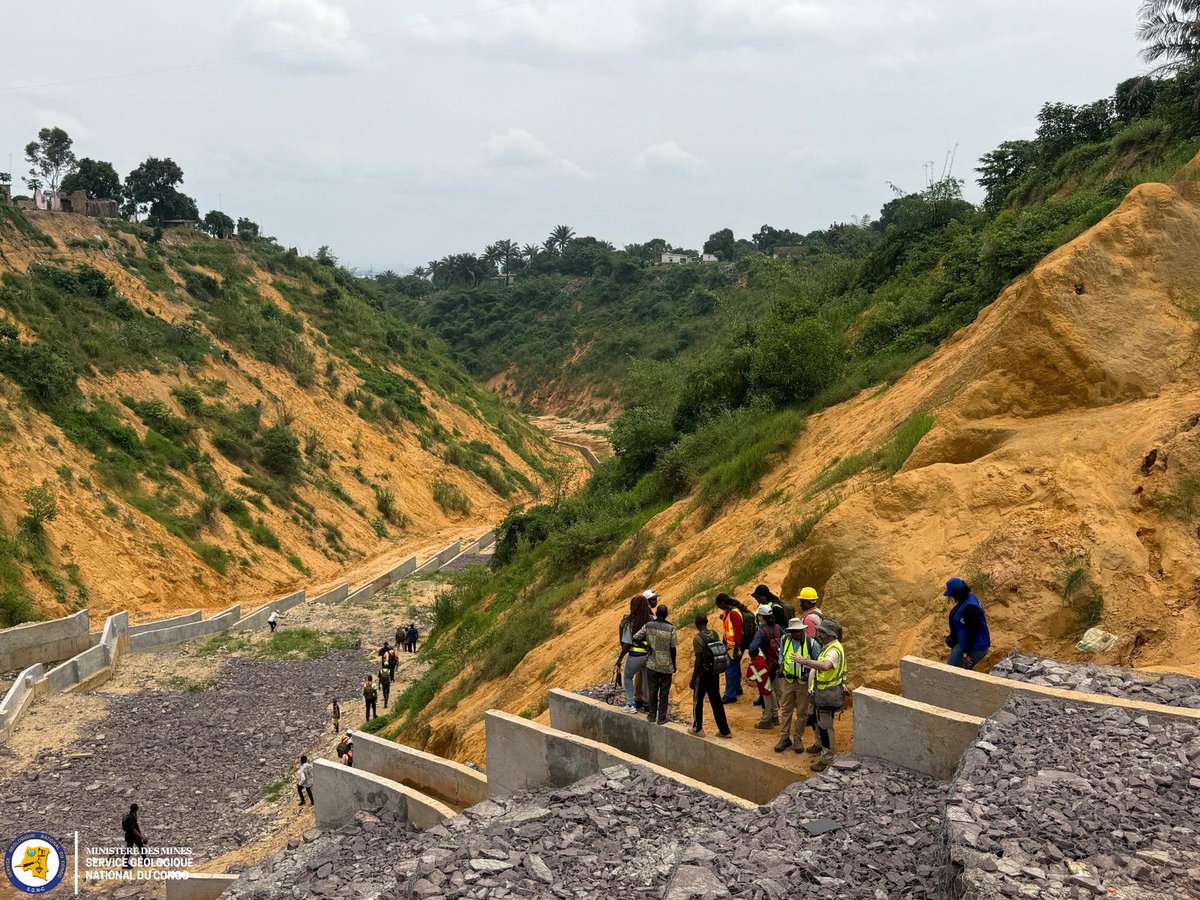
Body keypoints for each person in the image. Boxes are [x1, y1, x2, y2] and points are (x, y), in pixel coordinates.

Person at [794, 618, 846, 772]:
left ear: (830, 634)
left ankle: (827, 758)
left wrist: (804, 661)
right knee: (816, 722)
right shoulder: (828, 646)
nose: (819, 634)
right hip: (820, 693)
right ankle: (818, 744)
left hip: (827, 695)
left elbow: (825, 666)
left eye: (822, 632)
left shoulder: (834, 650)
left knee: (825, 727)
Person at [775, 618, 819, 753]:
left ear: (803, 629)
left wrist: (810, 674)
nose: (797, 634)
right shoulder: (785, 639)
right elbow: (782, 656)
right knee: (786, 710)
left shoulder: (811, 643)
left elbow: (817, 663)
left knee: (802, 712)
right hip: (788, 681)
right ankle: (784, 738)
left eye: (799, 631)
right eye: (794, 631)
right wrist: (781, 668)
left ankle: (798, 738)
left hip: (803, 683)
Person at [689, 612, 732, 738]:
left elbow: (698, 660)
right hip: (714, 672)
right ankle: (725, 731)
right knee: (716, 700)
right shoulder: (714, 633)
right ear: (707, 622)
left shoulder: (698, 639)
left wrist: (693, 678)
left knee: (698, 700)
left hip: (703, 674)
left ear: (697, 624)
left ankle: (698, 729)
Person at [633, 603, 676, 725]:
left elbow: (635, 637)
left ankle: (651, 715)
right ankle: (661, 717)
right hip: (666, 665)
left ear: (656, 613)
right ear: (666, 615)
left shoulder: (648, 626)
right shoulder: (671, 628)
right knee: (664, 691)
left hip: (652, 663)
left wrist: (646, 647)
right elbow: (673, 648)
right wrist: (674, 664)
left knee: (652, 689)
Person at [747, 605, 782, 730]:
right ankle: (775, 716)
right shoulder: (778, 628)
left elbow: (753, 648)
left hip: (765, 665)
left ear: (761, 617)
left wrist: (754, 658)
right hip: (777, 664)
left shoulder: (762, 631)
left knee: (765, 692)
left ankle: (766, 719)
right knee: (770, 690)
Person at [944, 577, 990, 669]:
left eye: (952, 594)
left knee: (950, 673)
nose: (951, 597)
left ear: (957, 593)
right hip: (964, 644)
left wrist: (966, 654)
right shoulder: (968, 598)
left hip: (973, 647)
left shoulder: (970, 608)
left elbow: (972, 631)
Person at [617, 594, 652, 713]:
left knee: (627, 676)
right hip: (649, 656)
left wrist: (620, 658)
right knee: (647, 679)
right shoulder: (652, 619)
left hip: (635, 655)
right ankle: (649, 703)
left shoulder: (630, 621)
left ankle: (631, 704)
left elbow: (627, 643)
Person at [714, 593, 744, 704]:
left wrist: (736, 647)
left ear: (723, 603)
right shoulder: (728, 612)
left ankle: (730, 695)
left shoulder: (734, 613)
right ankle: (737, 689)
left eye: (719, 605)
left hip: (733, 647)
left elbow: (738, 632)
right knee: (735, 668)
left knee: (730, 670)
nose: (719, 607)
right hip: (730, 645)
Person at [121, 803, 145, 868]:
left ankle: (145, 860)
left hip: (129, 836)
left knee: (139, 847)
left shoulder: (129, 816)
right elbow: (133, 829)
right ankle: (125, 864)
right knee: (137, 848)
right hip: (132, 836)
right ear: (136, 809)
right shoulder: (131, 818)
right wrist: (141, 837)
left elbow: (124, 828)